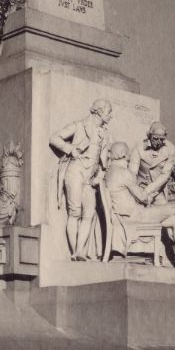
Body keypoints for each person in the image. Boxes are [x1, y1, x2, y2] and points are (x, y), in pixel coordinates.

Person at [104, 142, 175, 270]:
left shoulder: (109, 172)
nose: (130, 155)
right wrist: (150, 196)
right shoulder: (124, 172)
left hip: (127, 216)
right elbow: (141, 197)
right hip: (134, 216)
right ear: (123, 154)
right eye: (128, 153)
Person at [49, 99, 113, 260]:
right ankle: (74, 252)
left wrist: (99, 176)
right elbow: (54, 138)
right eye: (109, 112)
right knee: (75, 212)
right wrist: (69, 149)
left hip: (90, 179)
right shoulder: (79, 125)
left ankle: (80, 251)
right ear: (99, 111)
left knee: (89, 214)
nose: (111, 116)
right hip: (75, 171)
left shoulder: (105, 135)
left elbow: (104, 163)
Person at [128, 121, 175, 205]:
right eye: (155, 138)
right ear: (149, 136)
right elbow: (132, 173)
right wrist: (138, 193)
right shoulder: (139, 147)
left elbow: (165, 175)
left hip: (157, 190)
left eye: (161, 139)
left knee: (163, 211)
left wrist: (148, 191)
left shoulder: (170, 148)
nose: (158, 142)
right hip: (139, 188)